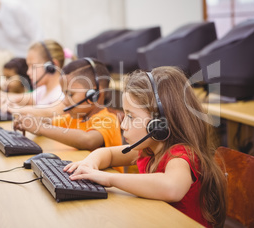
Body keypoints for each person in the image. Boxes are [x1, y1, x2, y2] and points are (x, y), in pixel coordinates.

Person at [63, 67, 227, 227]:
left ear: (158, 124)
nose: (123, 125)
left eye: (130, 116)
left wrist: (109, 179)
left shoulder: (181, 155)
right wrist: (90, 164)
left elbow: (172, 188)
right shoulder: (148, 150)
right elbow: (108, 154)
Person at [13, 58, 123, 172]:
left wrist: (40, 128)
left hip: (108, 188)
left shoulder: (109, 119)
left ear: (94, 95)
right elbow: (50, 122)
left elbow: (88, 140)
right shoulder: (74, 118)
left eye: (70, 94)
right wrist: (30, 121)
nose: (65, 101)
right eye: (64, 93)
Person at [0, 40, 65, 116]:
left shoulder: (62, 92)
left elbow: (53, 111)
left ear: (52, 66)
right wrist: (9, 99)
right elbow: (24, 98)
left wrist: (17, 109)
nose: (28, 72)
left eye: (33, 66)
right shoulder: (43, 90)